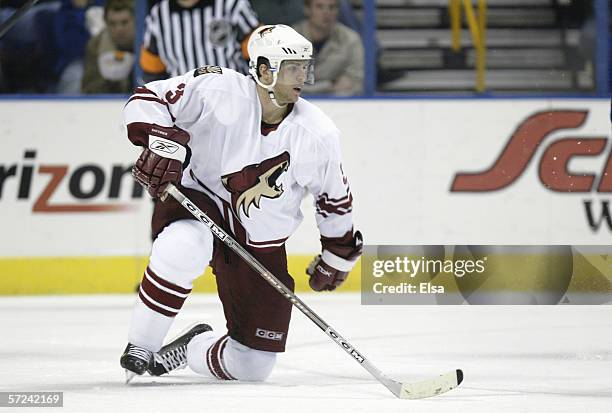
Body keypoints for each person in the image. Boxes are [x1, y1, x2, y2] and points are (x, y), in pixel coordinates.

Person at [119, 24, 362, 383]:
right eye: (293, 67)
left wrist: (337, 253)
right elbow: (147, 98)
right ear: (264, 69)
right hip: (200, 202)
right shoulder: (218, 88)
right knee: (184, 244)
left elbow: (333, 198)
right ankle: (142, 345)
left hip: (257, 241)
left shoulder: (318, 133)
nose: (304, 75)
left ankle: (191, 349)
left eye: (305, 67)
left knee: (252, 366)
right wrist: (160, 142)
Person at [140, 0, 260, 83]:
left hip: (234, 97)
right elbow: (152, 72)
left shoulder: (230, 4)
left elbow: (259, 52)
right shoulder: (159, 15)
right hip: (185, 106)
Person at [292, 0, 363, 95]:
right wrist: (329, 86)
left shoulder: (350, 39)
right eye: (319, 7)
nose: (326, 12)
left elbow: (356, 81)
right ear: (307, 9)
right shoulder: (291, 38)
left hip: (336, 103)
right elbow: (282, 81)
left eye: (332, 7)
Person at [81, 0, 135, 94]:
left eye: (124, 22)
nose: (119, 29)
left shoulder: (150, 41)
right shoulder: (95, 45)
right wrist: (110, 82)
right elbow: (88, 90)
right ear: (105, 23)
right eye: (112, 23)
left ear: (136, 21)